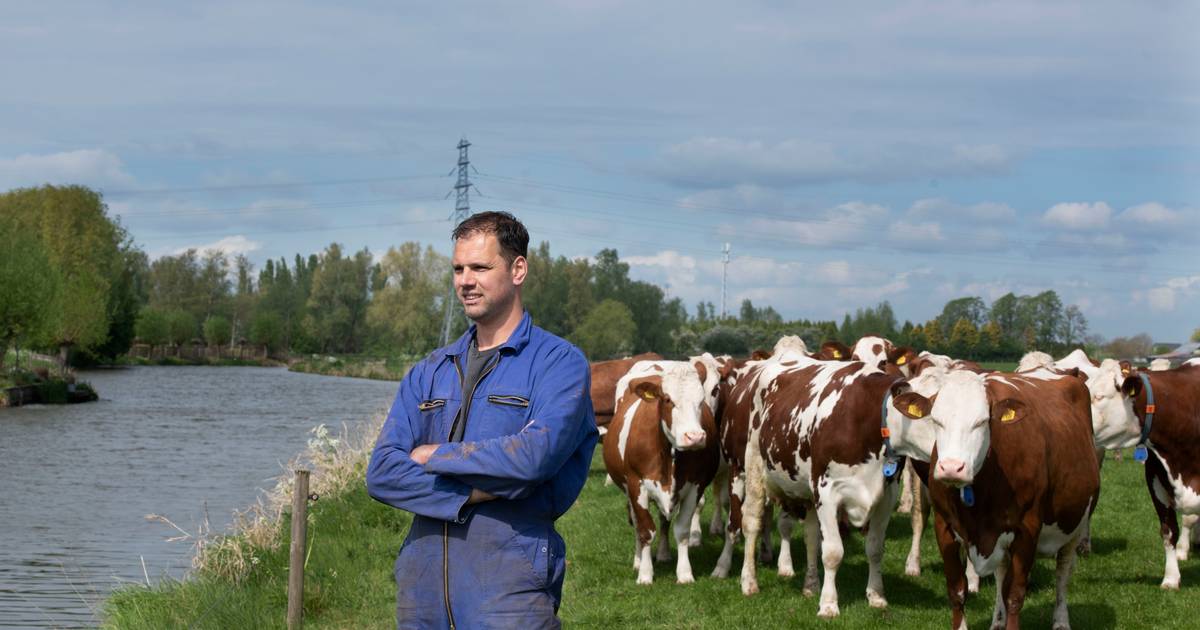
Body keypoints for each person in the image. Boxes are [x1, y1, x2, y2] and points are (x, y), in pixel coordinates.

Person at [366, 211, 598, 629]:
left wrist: (434, 453)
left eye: (479, 267)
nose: (465, 281)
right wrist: (474, 493)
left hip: (509, 589)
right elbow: (382, 473)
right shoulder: (430, 370)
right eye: (458, 269)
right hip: (421, 593)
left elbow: (532, 461)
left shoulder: (558, 364)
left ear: (518, 269)